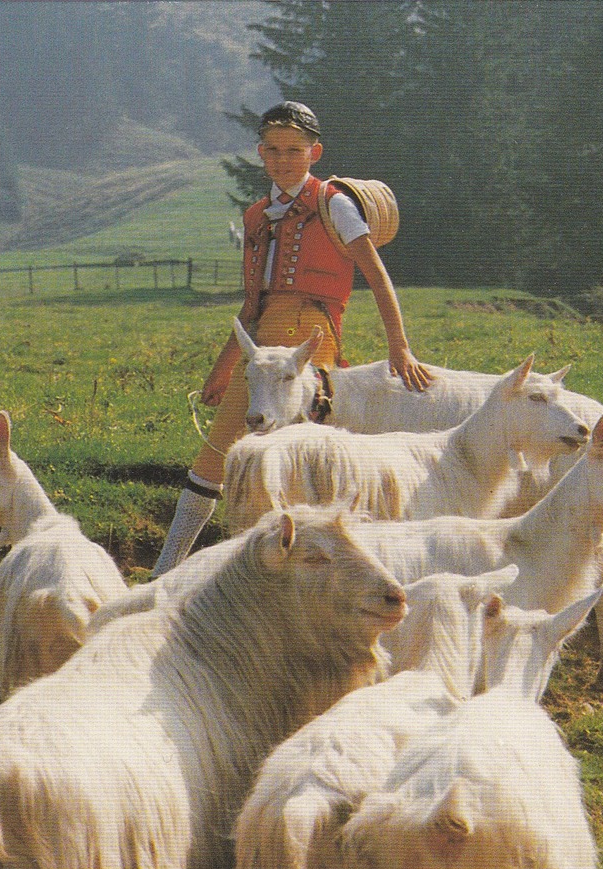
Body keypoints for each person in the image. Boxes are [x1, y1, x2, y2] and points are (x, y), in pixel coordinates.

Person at [152, 100, 431, 576]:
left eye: (294, 150)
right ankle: (180, 568)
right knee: (228, 449)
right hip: (264, 348)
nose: (283, 159)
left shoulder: (333, 204)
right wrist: (221, 371)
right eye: (274, 149)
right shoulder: (256, 216)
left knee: (294, 457)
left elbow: (376, 274)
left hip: (312, 343)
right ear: (261, 152)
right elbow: (251, 307)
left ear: (314, 152)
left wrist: (398, 345)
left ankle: (177, 570)